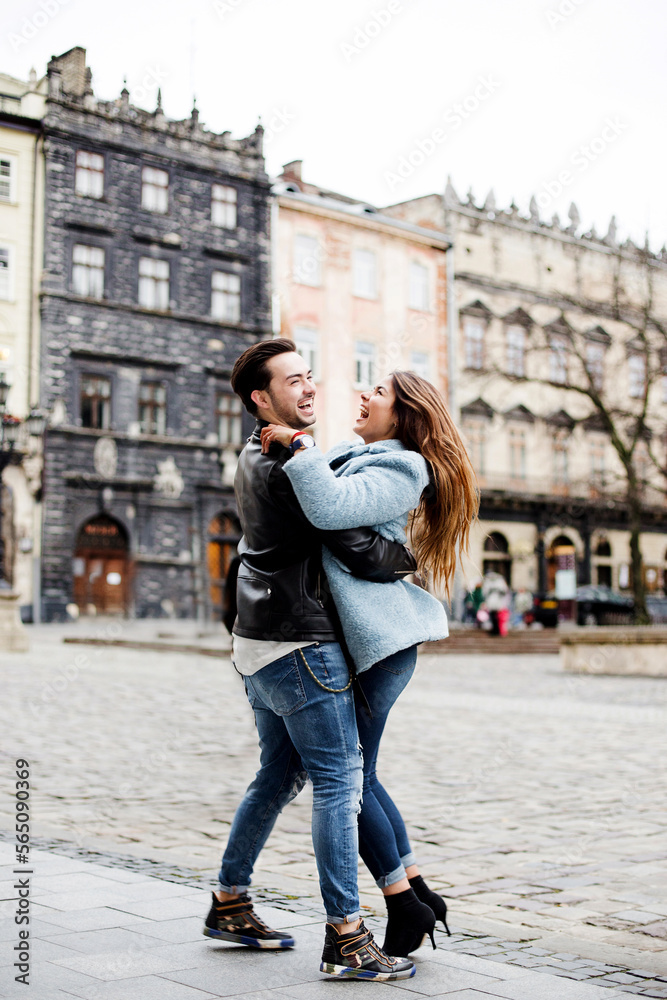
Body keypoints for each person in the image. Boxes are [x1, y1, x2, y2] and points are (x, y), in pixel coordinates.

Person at [204, 339, 417, 982]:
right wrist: (404, 560)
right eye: (292, 382)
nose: (309, 389)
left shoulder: (252, 454)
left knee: (278, 775)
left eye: (309, 377)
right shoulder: (286, 463)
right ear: (260, 399)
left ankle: (230, 900)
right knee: (338, 782)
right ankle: (347, 938)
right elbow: (355, 544)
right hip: (301, 643)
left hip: (258, 645)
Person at [261, 368, 478, 958]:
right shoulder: (361, 454)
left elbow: (329, 509)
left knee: (347, 780)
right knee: (363, 775)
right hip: (369, 642)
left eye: (377, 393)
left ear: (404, 414)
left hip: (381, 646)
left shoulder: (404, 467)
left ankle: (403, 903)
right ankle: (416, 895)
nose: (362, 395)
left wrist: (299, 445)